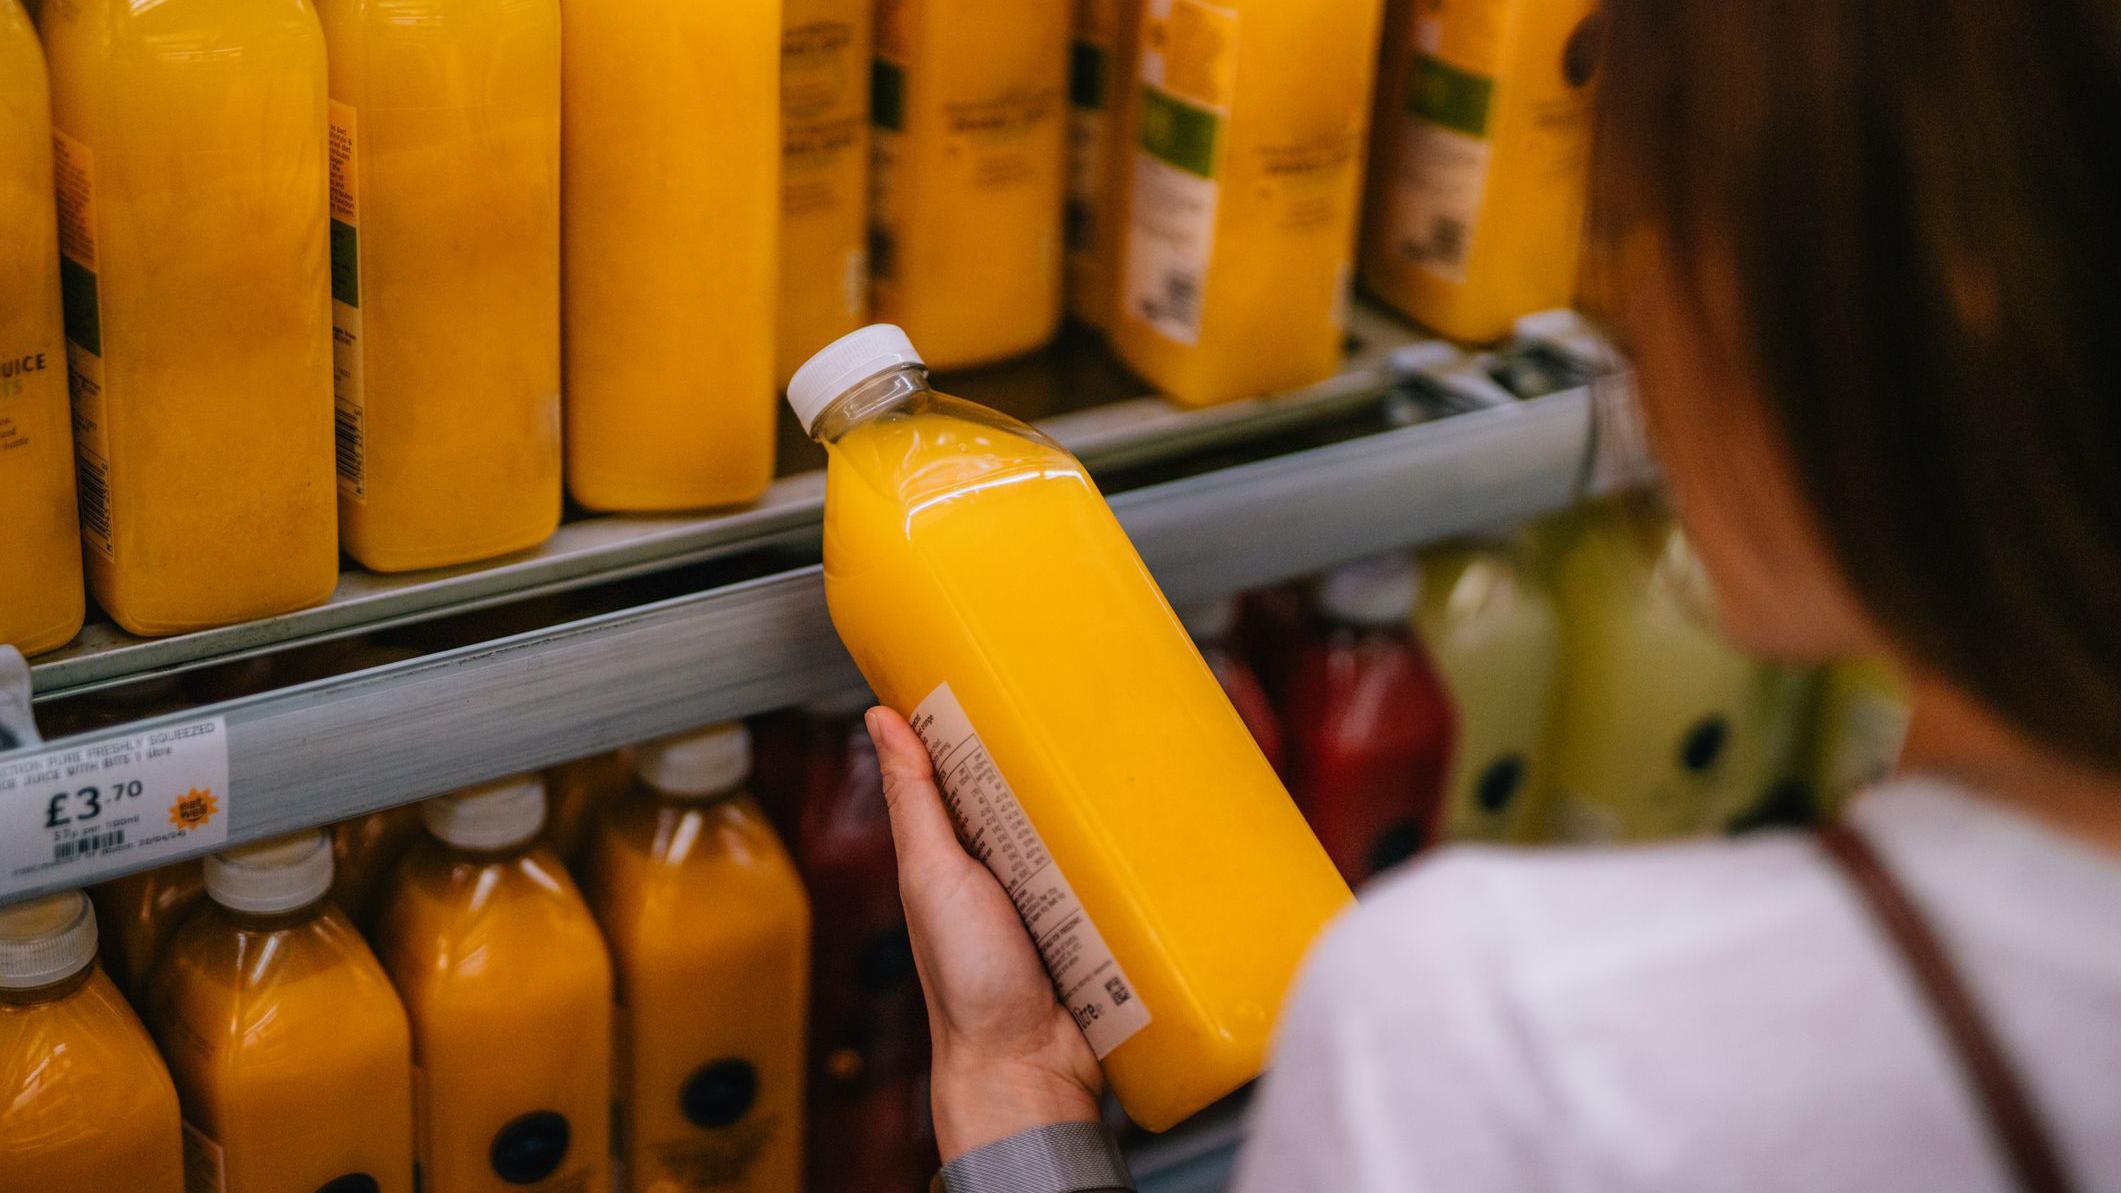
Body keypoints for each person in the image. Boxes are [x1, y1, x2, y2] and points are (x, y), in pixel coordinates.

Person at [863, 0, 2121, 1189]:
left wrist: (1011, 1085)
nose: (1633, 351)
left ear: (1934, 295)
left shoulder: (1513, 1024)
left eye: (1646, 241)